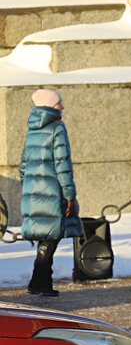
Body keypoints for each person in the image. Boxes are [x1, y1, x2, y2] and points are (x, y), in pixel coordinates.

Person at [19, 89, 82, 297]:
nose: (62, 107)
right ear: (49, 106)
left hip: (35, 191)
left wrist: (31, 185)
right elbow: (62, 165)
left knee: (46, 237)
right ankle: (38, 282)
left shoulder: (33, 130)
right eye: (59, 104)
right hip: (53, 192)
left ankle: (42, 282)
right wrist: (70, 194)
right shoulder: (57, 128)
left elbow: (23, 166)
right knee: (51, 237)